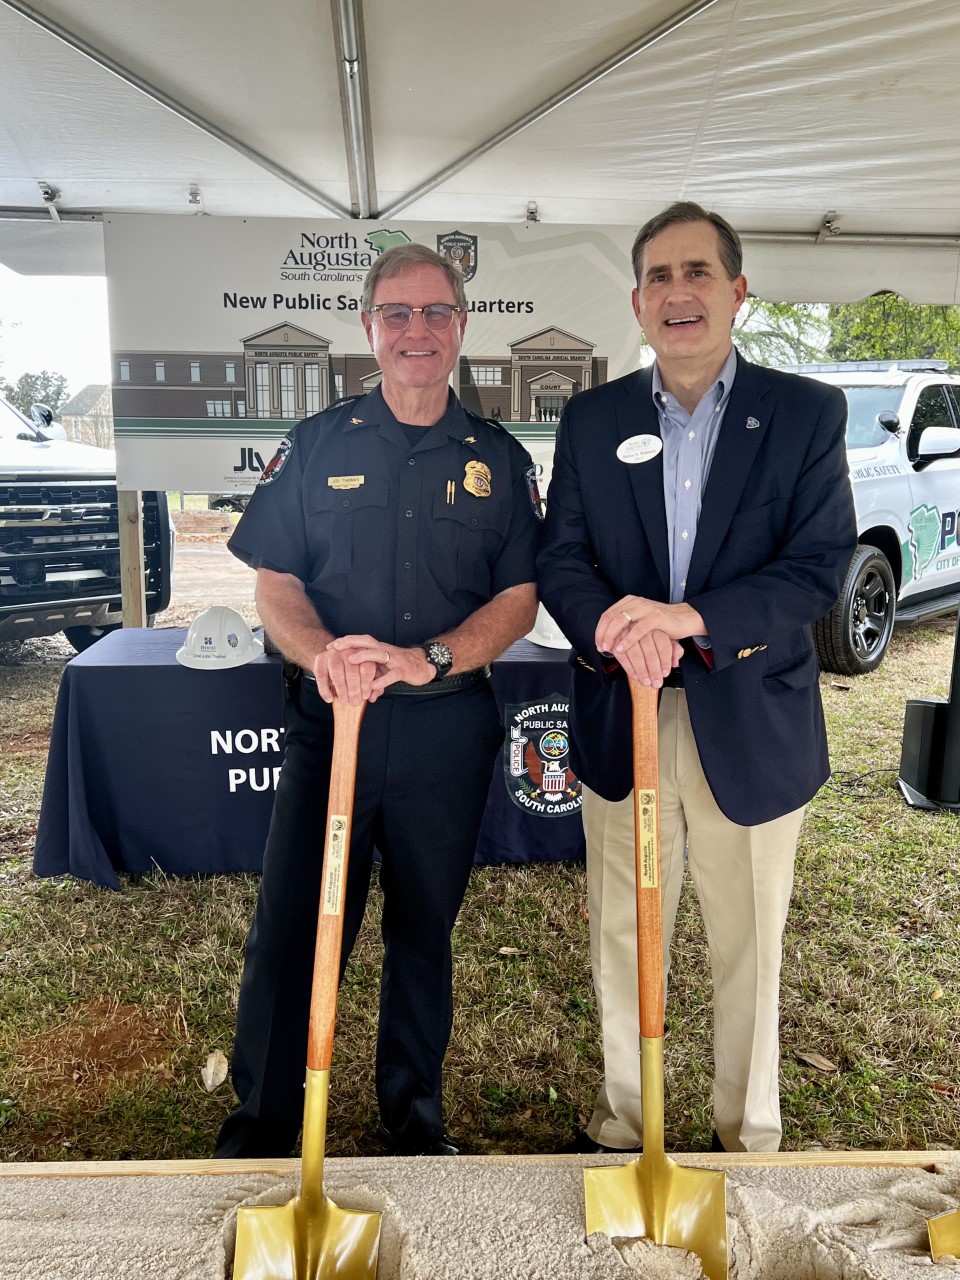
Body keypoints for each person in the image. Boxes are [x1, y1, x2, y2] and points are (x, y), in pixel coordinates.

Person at [537, 201, 856, 1154]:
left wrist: (690, 620)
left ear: (738, 292)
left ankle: (745, 1134)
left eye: (699, 273)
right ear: (637, 304)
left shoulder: (803, 414)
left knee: (747, 945)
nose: (680, 294)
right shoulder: (592, 420)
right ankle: (632, 1126)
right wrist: (611, 627)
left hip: (750, 720)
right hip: (621, 710)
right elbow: (562, 558)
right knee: (623, 934)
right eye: (661, 279)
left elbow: (816, 565)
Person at [215, 243, 539, 1159]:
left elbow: (516, 599)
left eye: (435, 312)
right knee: (295, 922)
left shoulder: (501, 461)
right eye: (397, 313)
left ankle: (413, 1124)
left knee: (423, 929)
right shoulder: (316, 445)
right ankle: (264, 1125)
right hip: (333, 725)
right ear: (369, 329)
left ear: (462, 328)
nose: (417, 331)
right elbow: (274, 580)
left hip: (447, 727)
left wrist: (427, 657)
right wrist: (328, 660)